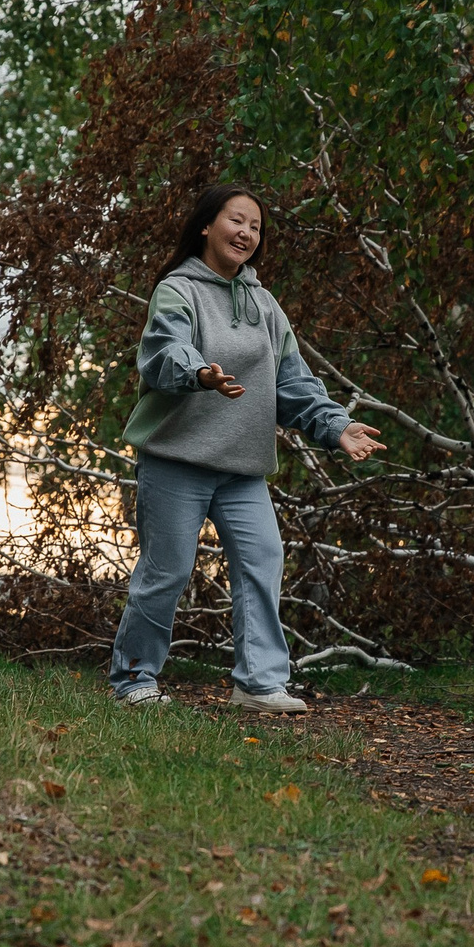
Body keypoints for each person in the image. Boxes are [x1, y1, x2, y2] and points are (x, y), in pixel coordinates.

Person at [112, 184, 383, 711]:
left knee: (262, 560)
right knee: (166, 572)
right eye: (237, 221)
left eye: (255, 227)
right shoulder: (177, 290)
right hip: (176, 459)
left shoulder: (264, 304)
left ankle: (258, 683)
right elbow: (165, 352)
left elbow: (292, 381)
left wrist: (336, 426)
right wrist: (200, 373)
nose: (246, 233)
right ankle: (134, 679)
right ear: (206, 226)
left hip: (241, 466)